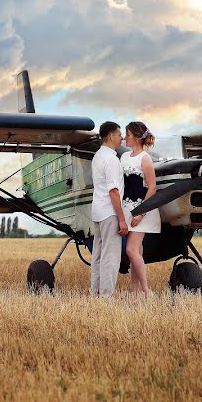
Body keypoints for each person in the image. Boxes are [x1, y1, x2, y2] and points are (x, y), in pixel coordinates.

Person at [120, 121, 160, 296]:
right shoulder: (124, 157)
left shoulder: (145, 158)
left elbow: (152, 188)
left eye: (127, 134)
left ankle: (145, 290)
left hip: (142, 211)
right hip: (127, 209)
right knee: (137, 251)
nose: (124, 137)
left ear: (136, 137)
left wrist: (141, 213)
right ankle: (134, 291)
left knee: (130, 250)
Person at [89, 121, 129, 297]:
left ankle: (95, 292)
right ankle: (106, 296)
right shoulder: (112, 159)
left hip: (97, 212)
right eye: (119, 134)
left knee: (97, 255)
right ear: (111, 136)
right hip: (110, 212)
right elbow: (114, 191)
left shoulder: (98, 156)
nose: (122, 138)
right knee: (111, 257)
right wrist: (121, 219)